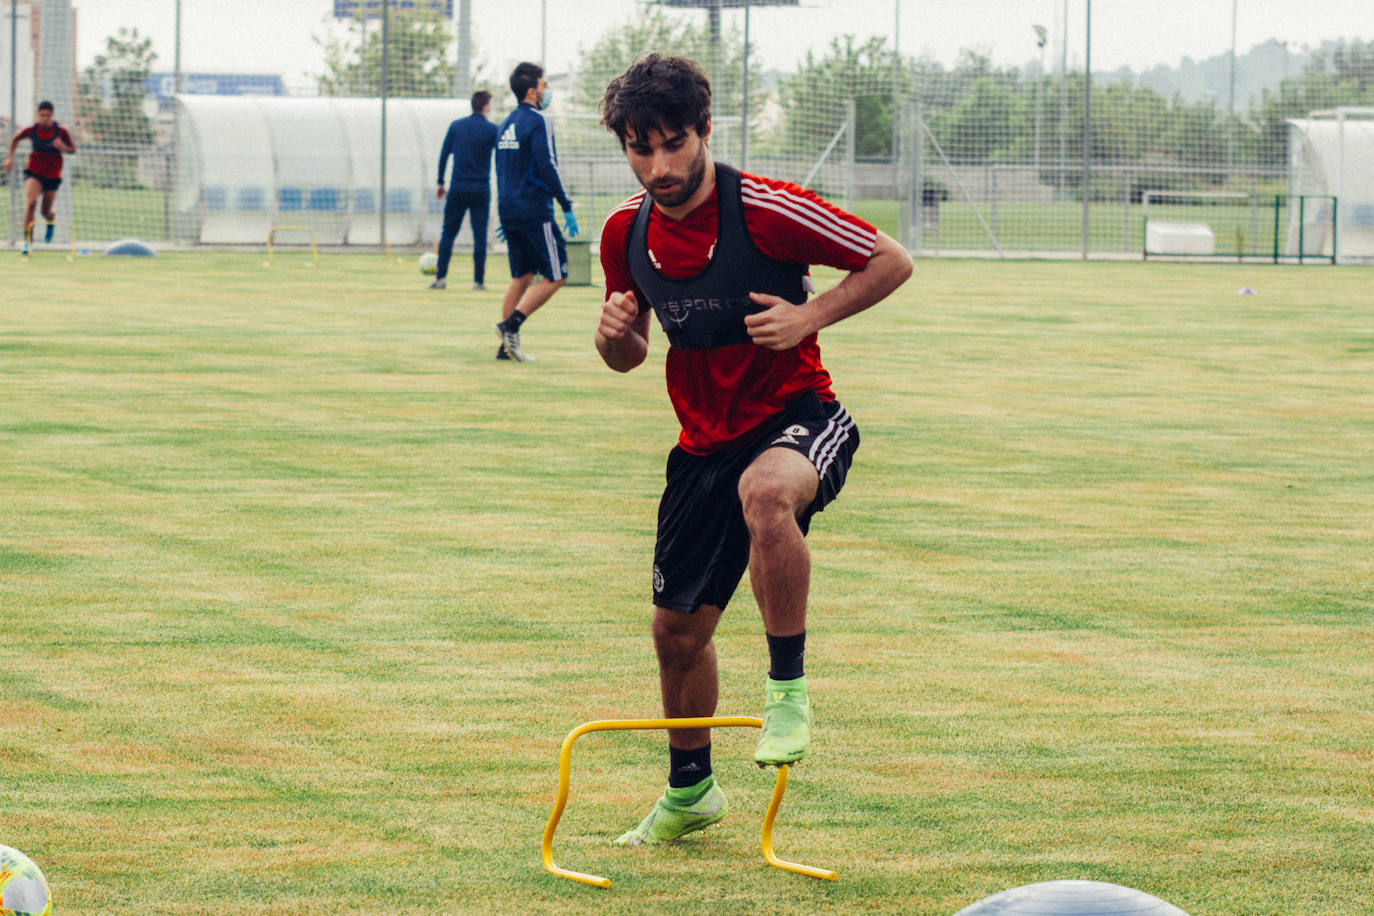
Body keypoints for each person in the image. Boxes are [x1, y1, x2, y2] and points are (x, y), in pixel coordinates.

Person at [594, 54, 913, 847]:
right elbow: (630, 352)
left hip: (797, 416)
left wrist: (811, 318)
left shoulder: (767, 208)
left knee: (767, 494)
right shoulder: (622, 233)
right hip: (702, 444)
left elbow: (891, 260)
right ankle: (691, 791)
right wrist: (614, 338)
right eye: (640, 148)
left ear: (705, 131)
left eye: (673, 144)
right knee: (676, 634)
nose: (658, 166)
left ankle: (788, 691)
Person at [491, 62, 578, 362]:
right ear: (532, 92)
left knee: (522, 275)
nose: (547, 91)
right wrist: (566, 204)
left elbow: (501, 169)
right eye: (544, 86)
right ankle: (510, 325)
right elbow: (547, 166)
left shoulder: (504, 124)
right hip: (534, 210)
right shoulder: (539, 121)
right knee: (558, 274)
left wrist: (505, 211)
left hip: (511, 209)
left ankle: (506, 349)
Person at [431, 90, 498, 291]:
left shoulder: (457, 126)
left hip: (458, 186)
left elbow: (444, 154)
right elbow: (501, 157)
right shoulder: (492, 129)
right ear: (486, 106)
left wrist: (440, 182)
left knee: (448, 233)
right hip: (480, 188)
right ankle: (478, 281)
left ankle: (441, 278)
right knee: (479, 236)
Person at [4, 101, 75, 256]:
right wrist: (10, 157)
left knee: (45, 211)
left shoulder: (61, 131)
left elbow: (73, 149)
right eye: (42, 115)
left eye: (47, 116)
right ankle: (28, 242)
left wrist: (63, 148)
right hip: (34, 172)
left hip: (52, 175)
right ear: (38, 115)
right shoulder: (32, 130)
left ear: (52, 115)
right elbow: (15, 139)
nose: (44, 118)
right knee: (31, 203)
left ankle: (51, 218)